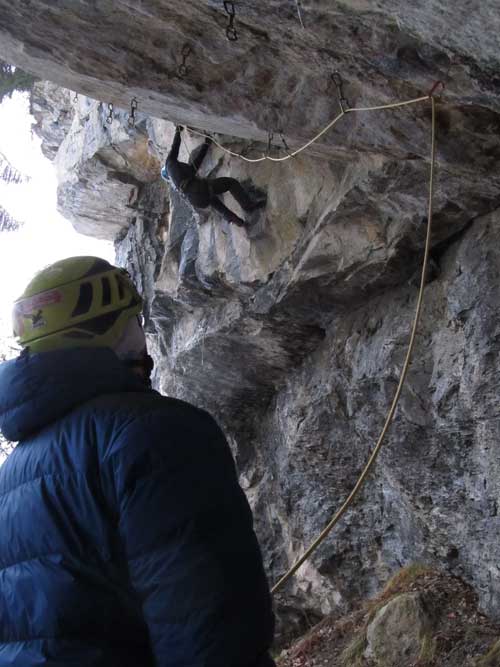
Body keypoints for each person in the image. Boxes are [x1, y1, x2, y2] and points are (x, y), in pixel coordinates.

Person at [0, 256, 275, 667]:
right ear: (117, 330)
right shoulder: (153, 431)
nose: (142, 334)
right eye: (135, 320)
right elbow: (206, 623)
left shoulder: (11, 477)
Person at [161, 125, 266, 226]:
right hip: (200, 189)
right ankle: (248, 207)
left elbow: (195, 165)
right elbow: (176, 146)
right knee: (231, 183)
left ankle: (239, 222)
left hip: (198, 200)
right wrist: (178, 130)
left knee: (214, 201)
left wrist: (206, 145)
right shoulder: (170, 162)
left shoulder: (177, 181)